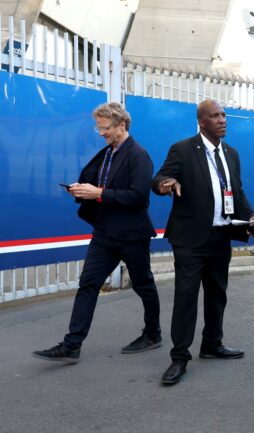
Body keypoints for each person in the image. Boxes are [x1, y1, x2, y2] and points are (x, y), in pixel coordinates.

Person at [33, 102, 161, 363]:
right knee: (88, 284)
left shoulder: (138, 155)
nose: (101, 133)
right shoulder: (108, 153)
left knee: (143, 284)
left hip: (132, 235)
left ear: (122, 126)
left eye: (105, 128)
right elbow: (101, 185)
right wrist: (84, 189)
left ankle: (152, 333)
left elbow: (138, 197)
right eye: (98, 128)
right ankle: (72, 345)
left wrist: (99, 193)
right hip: (104, 233)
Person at [152, 99, 254, 386]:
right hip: (190, 239)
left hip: (220, 236)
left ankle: (212, 344)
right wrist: (165, 184)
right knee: (186, 297)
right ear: (202, 122)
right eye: (215, 116)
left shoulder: (231, 154)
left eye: (224, 115)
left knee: (217, 294)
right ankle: (179, 357)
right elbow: (160, 178)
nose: (223, 120)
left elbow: (236, 192)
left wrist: (250, 217)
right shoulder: (183, 149)